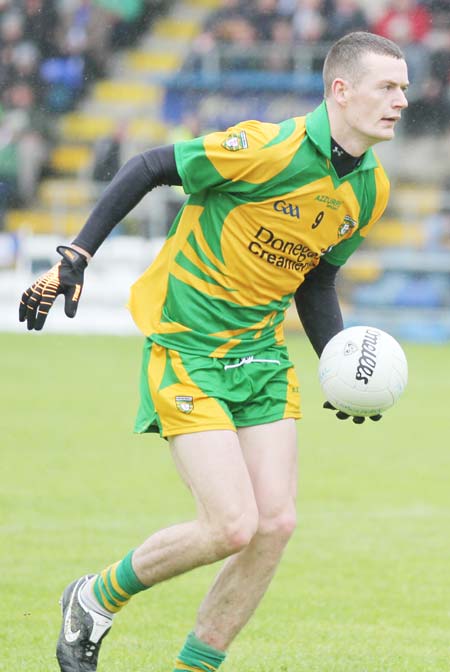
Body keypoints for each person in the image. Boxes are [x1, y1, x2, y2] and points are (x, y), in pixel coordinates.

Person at [19, 31, 409, 672]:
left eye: (402, 88)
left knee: (274, 525)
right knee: (230, 525)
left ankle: (196, 666)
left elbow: (316, 278)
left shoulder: (369, 189)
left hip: (260, 357)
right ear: (341, 91)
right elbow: (149, 167)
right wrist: (77, 255)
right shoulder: (268, 146)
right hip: (189, 347)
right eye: (386, 87)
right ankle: (92, 599)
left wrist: (338, 362)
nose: (400, 99)